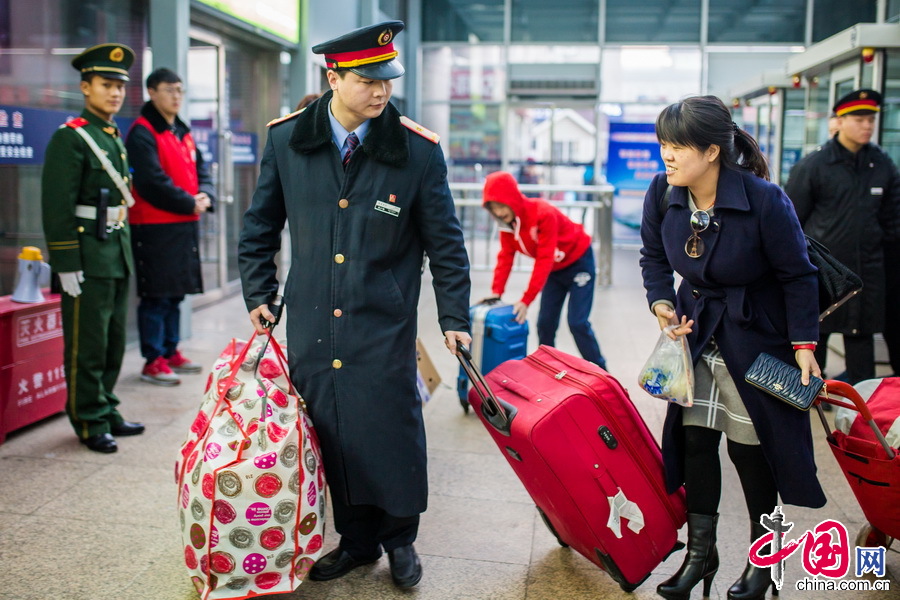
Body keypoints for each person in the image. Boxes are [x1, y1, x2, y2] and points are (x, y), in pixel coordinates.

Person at [238, 21, 471, 590]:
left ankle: (401, 540)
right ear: (332, 77)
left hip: (382, 324)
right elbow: (260, 225)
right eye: (367, 80)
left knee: (388, 430)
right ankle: (356, 541)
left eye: (387, 80)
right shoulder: (288, 140)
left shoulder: (416, 152)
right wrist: (258, 293)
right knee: (331, 432)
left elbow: (446, 244)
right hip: (314, 322)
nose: (381, 92)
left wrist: (454, 319)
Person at [639, 95, 825, 600]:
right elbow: (653, 256)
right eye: (663, 145)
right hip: (698, 335)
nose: (667, 157)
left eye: (677, 146)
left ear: (712, 152)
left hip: (757, 338)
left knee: (752, 453)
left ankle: (764, 563)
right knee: (696, 442)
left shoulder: (764, 199)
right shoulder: (663, 192)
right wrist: (661, 305)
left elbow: (798, 275)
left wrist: (804, 345)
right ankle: (701, 556)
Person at [40, 43, 145, 453]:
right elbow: (56, 205)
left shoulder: (111, 135)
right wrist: (65, 260)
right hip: (86, 256)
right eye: (106, 84)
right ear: (85, 87)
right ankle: (88, 419)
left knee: (114, 340)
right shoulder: (71, 138)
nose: (115, 92)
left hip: (115, 251)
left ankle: (106, 407)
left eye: (120, 85)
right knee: (88, 344)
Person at [785, 90, 900, 385]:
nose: (867, 126)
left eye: (871, 119)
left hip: (867, 275)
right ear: (839, 121)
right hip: (824, 274)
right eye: (859, 119)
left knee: (862, 345)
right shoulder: (814, 166)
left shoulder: (882, 165)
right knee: (816, 339)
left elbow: (892, 221)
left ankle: (865, 413)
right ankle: (811, 398)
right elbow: (791, 221)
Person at [125, 67, 216, 386]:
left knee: (176, 292)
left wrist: (206, 193)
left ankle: (171, 350)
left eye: (180, 90)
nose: (176, 96)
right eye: (169, 90)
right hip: (154, 226)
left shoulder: (181, 129)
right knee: (157, 294)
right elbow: (151, 181)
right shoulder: (143, 131)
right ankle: (153, 359)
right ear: (152, 92)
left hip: (182, 224)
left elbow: (202, 168)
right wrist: (189, 202)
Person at [481, 171, 607, 370]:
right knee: (545, 323)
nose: (498, 212)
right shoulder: (508, 224)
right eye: (492, 208)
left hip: (579, 261)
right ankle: (549, 372)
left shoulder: (542, 213)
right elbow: (506, 257)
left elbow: (544, 259)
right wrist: (496, 292)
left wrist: (526, 299)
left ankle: (603, 373)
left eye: (500, 205)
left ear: (511, 198)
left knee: (577, 322)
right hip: (555, 270)